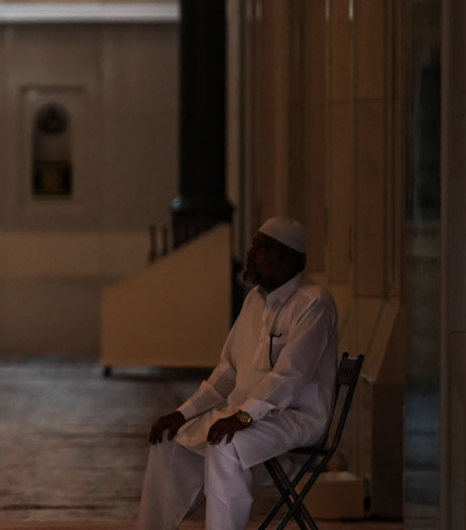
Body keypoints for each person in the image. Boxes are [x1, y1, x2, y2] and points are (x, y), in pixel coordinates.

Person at [137, 216, 338, 530]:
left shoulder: (314, 303)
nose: (250, 253)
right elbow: (227, 372)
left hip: (296, 419)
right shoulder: (253, 302)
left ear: (288, 259)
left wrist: (244, 416)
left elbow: (291, 376)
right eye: (253, 246)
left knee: (225, 445)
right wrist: (183, 413)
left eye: (261, 248)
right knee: (169, 440)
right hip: (244, 415)